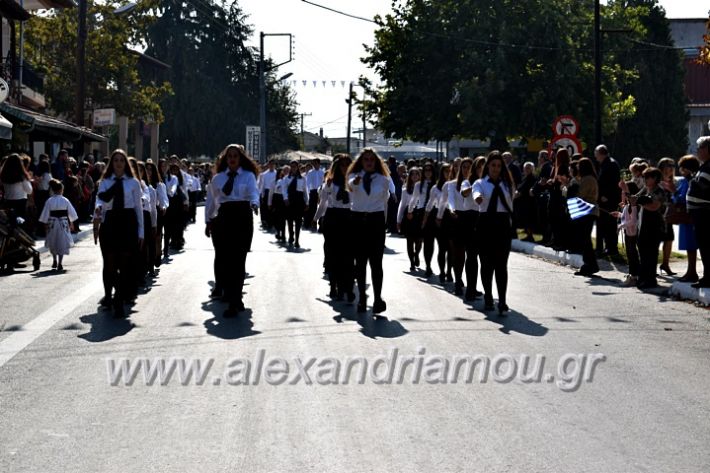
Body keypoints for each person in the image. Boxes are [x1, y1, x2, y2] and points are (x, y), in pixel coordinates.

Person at [204, 144, 260, 316]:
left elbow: (253, 193)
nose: (232, 158)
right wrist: (208, 221)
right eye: (229, 156)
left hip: (243, 217)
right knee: (227, 260)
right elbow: (212, 202)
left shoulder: (249, 176)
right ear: (225, 159)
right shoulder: (218, 179)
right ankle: (232, 298)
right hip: (224, 218)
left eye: (235, 155)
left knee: (239, 260)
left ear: (240, 158)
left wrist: (254, 204)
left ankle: (235, 299)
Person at [94, 149, 144, 317]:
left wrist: (141, 232)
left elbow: (138, 207)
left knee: (124, 265)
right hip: (110, 222)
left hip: (128, 222)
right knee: (109, 263)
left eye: (122, 160)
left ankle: (120, 300)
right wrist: (98, 208)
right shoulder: (105, 182)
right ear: (112, 163)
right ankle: (109, 295)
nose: (119, 163)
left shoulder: (133, 183)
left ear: (126, 163)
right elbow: (99, 199)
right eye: (115, 160)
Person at [347, 148, 390, 314]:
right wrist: (357, 180)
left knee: (376, 263)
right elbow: (351, 187)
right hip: (357, 220)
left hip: (376, 221)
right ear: (361, 161)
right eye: (366, 159)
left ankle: (378, 298)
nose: (369, 162)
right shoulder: (353, 176)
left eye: (372, 159)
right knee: (360, 262)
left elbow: (384, 202)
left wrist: (384, 223)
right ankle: (362, 299)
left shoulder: (383, 179)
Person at [473, 151, 514, 314]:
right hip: (485, 223)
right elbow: (476, 194)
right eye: (493, 165)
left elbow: (510, 204)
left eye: (498, 166)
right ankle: (488, 296)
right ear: (488, 166)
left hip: (503, 224)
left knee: (501, 264)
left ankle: (502, 300)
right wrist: (478, 198)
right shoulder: (480, 183)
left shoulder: (507, 184)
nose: (496, 169)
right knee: (486, 263)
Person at [313, 154, 355, 300]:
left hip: (349, 218)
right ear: (337, 168)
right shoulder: (330, 183)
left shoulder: (355, 181)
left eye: (347, 165)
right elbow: (323, 203)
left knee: (349, 256)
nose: (345, 168)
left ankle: (348, 288)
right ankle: (333, 286)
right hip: (333, 218)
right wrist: (316, 218)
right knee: (333, 254)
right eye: (342, 165)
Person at [629, 167, 666, 290]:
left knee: (651, 253)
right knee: (643, 251)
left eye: (647, 177)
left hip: (654, 226)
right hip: (643, 225)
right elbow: (635, 198)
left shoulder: (659, 191)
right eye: (643, 177)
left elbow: (654, 206)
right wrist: (628, 194)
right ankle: (643, 277)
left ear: (654, 178)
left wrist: (639, 201)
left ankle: (650, 279)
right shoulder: (646, 189)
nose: (644, 180)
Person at [451, 157, 481, 300]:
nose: (466, 169)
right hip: (459, 218)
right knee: (459, 254)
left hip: (474, 218)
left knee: (472, 254)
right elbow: (452, 200)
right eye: (464, 167)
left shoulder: (479, 183)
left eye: (470, 167)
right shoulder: (456, 184)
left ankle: (472, 287)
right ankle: (458, 281)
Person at [38, 179, 78, 271]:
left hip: (52, 223)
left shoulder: (49, 201)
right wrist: (71, 222)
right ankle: (60, 262)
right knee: (62, 243)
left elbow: (45, 214)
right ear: (61, 190)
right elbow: (71, 213)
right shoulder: (65, 200)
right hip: (63, 223)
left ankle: (54, 259)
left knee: (53, 242)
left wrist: (45, 224)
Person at [673, 156, 701, 283]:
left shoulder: (688, 181)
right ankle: (691, 271)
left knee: (690, 246)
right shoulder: (692, 179)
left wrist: (673, 192)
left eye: (682, 167)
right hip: (690, 216)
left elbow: (681, 198)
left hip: (687, 217)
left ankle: (691, 272)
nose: (680, 169)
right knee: (691, 247)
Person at [687, 136, 710, 288]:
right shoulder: (705, 166)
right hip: (699, 213)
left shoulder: (709, 167)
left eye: (700, 149)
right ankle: (707, 276)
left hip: (705, 214)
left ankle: (708, 278)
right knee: (704, 246)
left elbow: (703, 186)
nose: (698, 152)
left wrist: (691, 178)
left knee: (707, 246)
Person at [572, 157, 600, 277]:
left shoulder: (587, 179)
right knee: (584, 239)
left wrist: (571, 190)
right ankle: (588, 263)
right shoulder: (587, 178)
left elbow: (581, 194)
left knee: (585, 239)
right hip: (587, 210)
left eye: (579, 166)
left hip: (587, 210)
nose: (577, 168)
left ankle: (591, 264)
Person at [595, 144, 621, 256]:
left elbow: (613, 183)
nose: (595, 156)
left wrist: (607, 195)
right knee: (603, 224)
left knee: (610, 224)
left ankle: (611, 248)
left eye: (596, 154)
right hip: (603, 199)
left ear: (601, 153)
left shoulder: (611, 164)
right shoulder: (605, 164)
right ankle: (605, 247)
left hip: (609, 199)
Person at [615, 181, 641, 286]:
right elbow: (626, 217)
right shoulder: (628, 205)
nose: (623, 194)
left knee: (632, 254)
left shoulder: (634, 205)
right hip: (628, 232)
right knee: (630, 254)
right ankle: (632, 274)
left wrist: (621, 226)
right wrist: (619, 215)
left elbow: (633, 221)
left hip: (633, 233)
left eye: (625, 193)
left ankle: (634, 275)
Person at [397, 167, 422, 271]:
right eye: (413, 174)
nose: (415, 176)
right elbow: (402, 205)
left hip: (419, 215)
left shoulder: (423, 189)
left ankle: (416, 254)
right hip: (409, 216)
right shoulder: (405, 190)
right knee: (410, 241)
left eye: (417, 174)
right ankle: (411, 261)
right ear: (409, 176)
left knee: (419, 240)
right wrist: (398, 220)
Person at [281, 160, 309, 248]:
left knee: (298, 221)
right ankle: (291, 235)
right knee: (289, 220)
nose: (293, 168)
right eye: (292, 166)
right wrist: (285, 199)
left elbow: (305, 191)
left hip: (299, 200)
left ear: (297, 167)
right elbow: (284, 189)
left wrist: (307, 202)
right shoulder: (286, 178)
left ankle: (297, 239)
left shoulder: (303, 178)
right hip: (290, 200)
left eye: (295, 166)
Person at [416, 162, 437, 276]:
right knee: (421, 239)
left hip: (433, 212)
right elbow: (414, 199)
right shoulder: (418, 185)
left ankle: (428, 265)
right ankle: (417, 255)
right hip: (421, 211)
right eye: (426, 170)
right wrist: (409, 211)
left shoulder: (437, 184)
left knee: (430, 241)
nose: (428, 172)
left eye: (430, 170)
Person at [0, 153, 34, 225]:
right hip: (20, 202)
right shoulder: (22, 177)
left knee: (9, 223)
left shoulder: (4, 175)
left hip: (8, 201)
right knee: (20, 224)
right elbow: (29, 190)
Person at [657, 157, 677, 276]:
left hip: (668, 215)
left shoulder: (672, 181)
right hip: (657, 215)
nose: (671, 168)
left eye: (673, 166)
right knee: (656, 241)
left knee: (669, 239)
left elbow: (675, 195)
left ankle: (665, 264)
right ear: (662, 167)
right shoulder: (657, 181)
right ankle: (650, 266)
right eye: (668, 165)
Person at [515, 162, 537, 242]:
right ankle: (522, 236)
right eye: (525, 168)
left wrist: (519, 193)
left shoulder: (533, 178)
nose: (527, 169)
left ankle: (528, 237)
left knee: (527, 221)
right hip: (521, 204)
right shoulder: (523, 178)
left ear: (532, 169)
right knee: (521, 221)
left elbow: (528, 189)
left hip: (528, 204)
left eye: (529, 168)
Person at [268, 166, 288, 242]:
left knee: (283, 219)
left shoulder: (285, 181)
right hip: (276, 200)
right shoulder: (273, 182)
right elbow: (270, 193)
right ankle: (278, 231)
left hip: (283, 200)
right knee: (276, 218)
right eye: (280, 173)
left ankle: (283, 234)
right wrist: (269, 203)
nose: (281, 174)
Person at [305, 159, 324, 229]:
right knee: (312, 208)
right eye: (314, 163)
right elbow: (307, 183)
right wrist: (308, 192)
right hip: (313, 191)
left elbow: (323, 182)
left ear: (319, 164)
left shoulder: (322, 172)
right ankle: (313, 222)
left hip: (321, 191)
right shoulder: (310, 172)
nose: (315, 165)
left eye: (316, 163)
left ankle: (320, 223)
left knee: (321, 207)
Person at [259, 159, 277, 229]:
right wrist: (262, 194)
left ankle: (273, 221)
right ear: (268, 165)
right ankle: (268, 221)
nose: (272, 165)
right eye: (271, 164)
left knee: (274, 207)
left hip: (275, 192)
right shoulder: (264, 174)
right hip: (267, 191)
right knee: (266, 208)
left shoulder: (277, 173)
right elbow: (263, 185)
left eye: (273, 164)